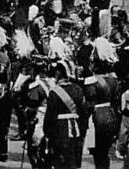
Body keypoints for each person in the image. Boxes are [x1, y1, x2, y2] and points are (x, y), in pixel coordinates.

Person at [83, 38, 120, 169]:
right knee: (104, 153)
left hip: (97, 119)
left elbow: (88, 104)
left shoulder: (92, 80)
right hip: (111, 117)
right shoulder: (114, 79)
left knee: (98, 155)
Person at [43, 60, 86, 169]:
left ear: (58, 73)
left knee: (60, 162)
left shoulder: (54, 92)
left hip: (60, 130)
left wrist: (47, 132)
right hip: (76, 130)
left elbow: (50, 117)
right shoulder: (78, 89)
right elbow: (83, 114)